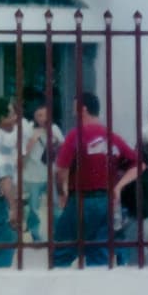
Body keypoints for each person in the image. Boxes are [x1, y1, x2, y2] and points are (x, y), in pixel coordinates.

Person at [52, 92, 140, 267]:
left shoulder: (75, 135)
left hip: (81, 200)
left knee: (62, 251)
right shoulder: (112, 137)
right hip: (105, 201)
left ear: (83, 109)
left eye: (74, 108)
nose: (72, 113)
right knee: (99, 253)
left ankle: (60, 291)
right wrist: (119, 187)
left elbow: (60, 170)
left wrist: (62, 194)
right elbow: (138, 164)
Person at [20, 102, 64, 243]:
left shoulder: (54, 129)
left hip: (50, 174)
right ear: (34, 117)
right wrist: (32, 141)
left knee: (55, 205)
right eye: (39, 115)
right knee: (33, 208)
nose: (42, 118)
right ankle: (35, 234)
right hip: (32, 176)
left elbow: (63, 149)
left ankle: (58, 234)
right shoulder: (28, 131)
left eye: (45, 114)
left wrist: (56, 142)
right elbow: (22, 156)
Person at [0, 99, 21, 266]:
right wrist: (13, 207)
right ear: (1, 118)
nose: (16, 118)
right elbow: (3, 176)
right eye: (12, 114)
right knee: (3, 247)